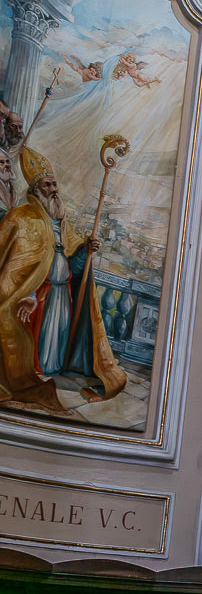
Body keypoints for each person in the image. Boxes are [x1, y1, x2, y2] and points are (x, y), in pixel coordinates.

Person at [0, 145, 126, 411]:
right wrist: (29, 294)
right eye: (47, 185)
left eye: (55, 184)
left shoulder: (63, 224)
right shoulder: (20, 219)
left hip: (62, 295)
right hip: (39, 296)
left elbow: (73, 266)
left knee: (57, 339)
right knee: (37, 343)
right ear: (35, 190)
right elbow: (17, 271)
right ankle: (34, 372)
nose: (53, 189)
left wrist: (84, 250)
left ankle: (55, 369)